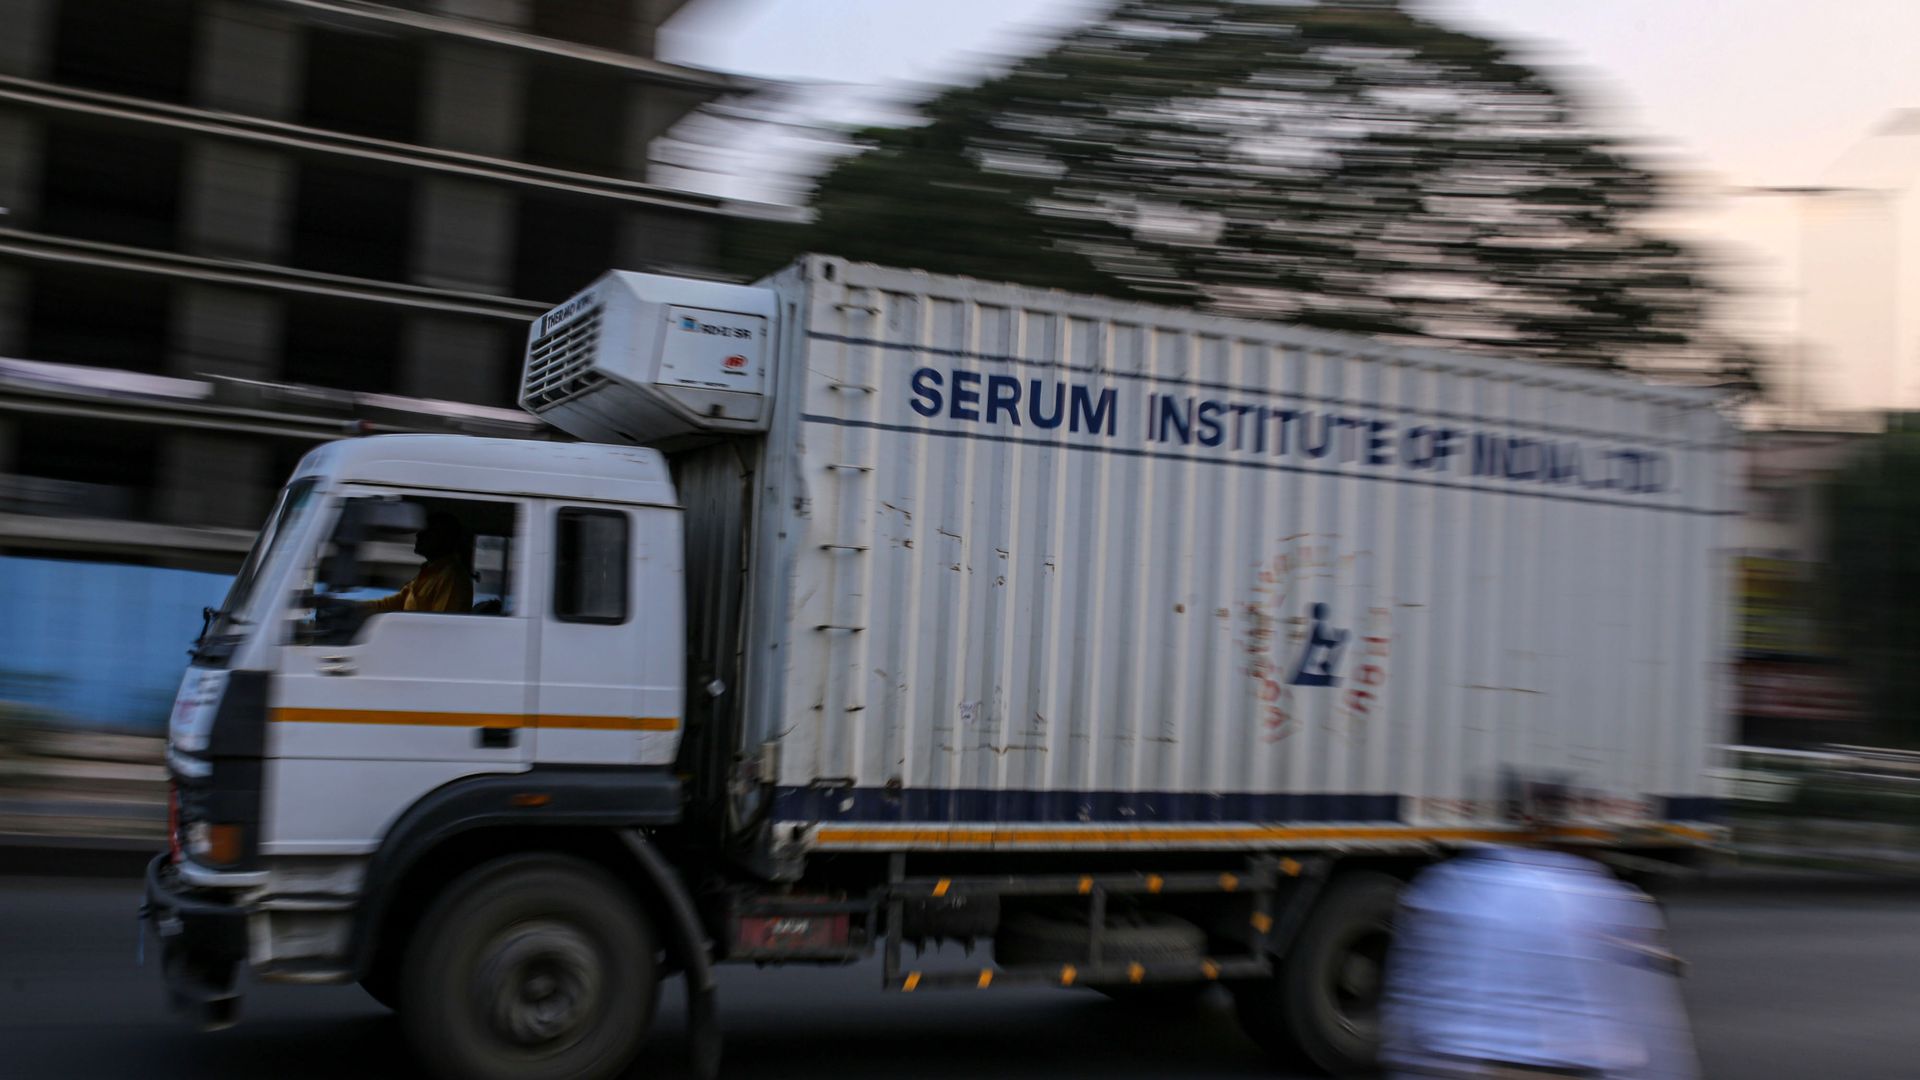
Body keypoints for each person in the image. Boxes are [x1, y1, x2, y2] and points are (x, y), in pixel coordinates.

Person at [1380, 782, 1699, 1080]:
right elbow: (1650, 1027)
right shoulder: (1603, 900)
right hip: (1557, 1066)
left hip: (1453, 1060)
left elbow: (1408, 1000)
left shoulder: (1445, 887)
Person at [362, 510, 473, 615]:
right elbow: (394, 603)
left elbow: (440, 625)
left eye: (428, 531)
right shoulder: (429, 572)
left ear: (446, 538)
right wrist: (356, 607)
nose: (419, 535)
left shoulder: (452, 577)